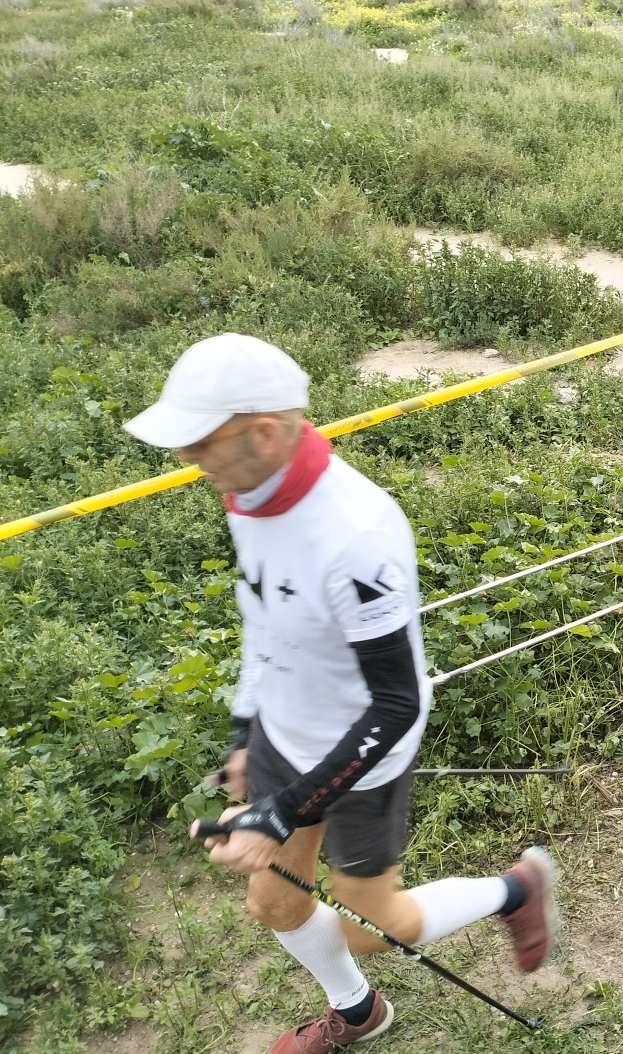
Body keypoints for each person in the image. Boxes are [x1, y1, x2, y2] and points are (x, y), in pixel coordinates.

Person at [124, 334, 558, 1053]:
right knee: (274, 901)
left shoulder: (355, 534)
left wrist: (282, 812)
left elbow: (396, 704)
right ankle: (358, 1012)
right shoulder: (248, 492)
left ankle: (516, 889)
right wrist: (243, 732)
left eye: (199, 441)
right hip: (283, 732)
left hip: (364, 753)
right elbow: (265, 618)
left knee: (372, 927)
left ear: (265, 433)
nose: (184, 457)